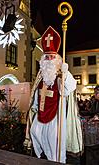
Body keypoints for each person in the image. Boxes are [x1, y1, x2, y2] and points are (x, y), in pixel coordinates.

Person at [24, 26, 83, 164]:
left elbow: (70, 88)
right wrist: (34, 107)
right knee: (35, 133)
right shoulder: (41, 76)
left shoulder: (60, 75)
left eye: (52, 56)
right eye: (47, 56)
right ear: (43, 60)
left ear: (57, 58)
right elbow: (36, 95)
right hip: (41, 115)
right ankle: (42, 157)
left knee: (55, 146)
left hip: (56, 119)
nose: (49, 59)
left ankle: (57, 161)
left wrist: (65, 73)